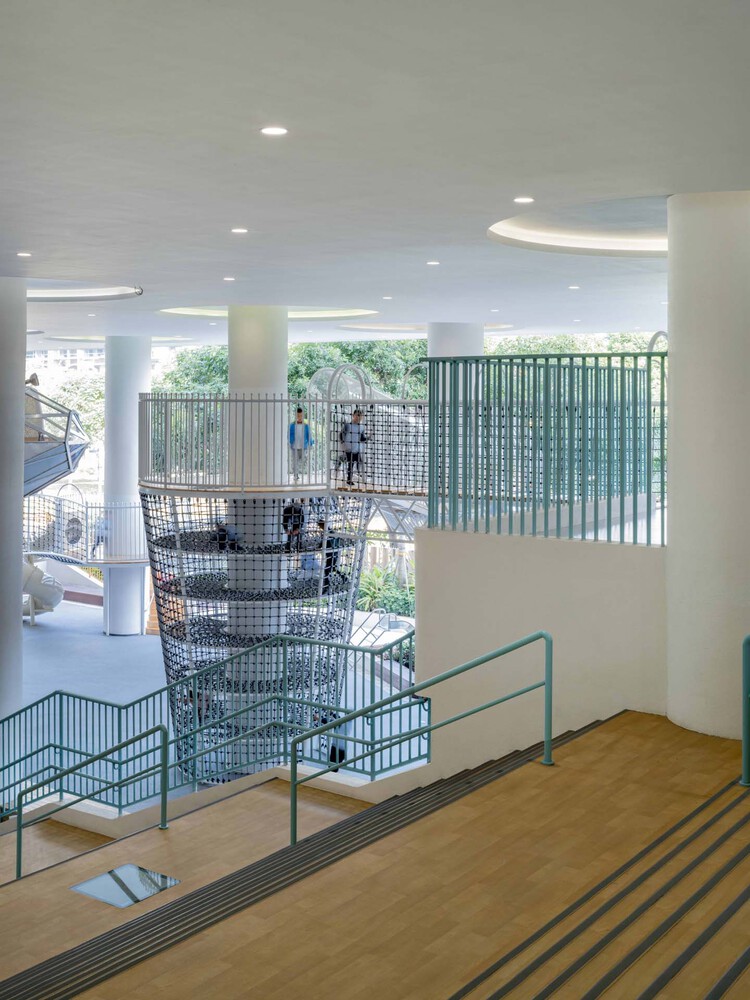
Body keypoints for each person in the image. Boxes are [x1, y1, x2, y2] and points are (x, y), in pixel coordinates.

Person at [340, 408, 367, 485]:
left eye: (361, 416)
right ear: (353, 415)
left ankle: (360, 477)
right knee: (351, 464)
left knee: (359, 463)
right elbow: (341, 434)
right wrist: (343, 444)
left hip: (357, 449)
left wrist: (368, 437)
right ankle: (349, 479)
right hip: (349, 448)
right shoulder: (348, 425)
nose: (359, 417)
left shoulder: (361, 427)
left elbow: (362, 438)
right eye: (357, 415)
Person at [288, 407, 314, 483]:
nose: (299, 417)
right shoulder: (292, 425)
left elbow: (309, 435)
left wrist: (311, 443)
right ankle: (296, 475)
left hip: (303, 446)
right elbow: (289, 434)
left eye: (301, 416)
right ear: (296, 416)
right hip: (294, 446)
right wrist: (289, 441)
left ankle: (305, 472)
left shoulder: (306, 425)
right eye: (298, 416)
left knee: (304, 459)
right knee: (295, 461)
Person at [318, 519, 342, 595]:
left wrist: (318, 548)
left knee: (327, 570)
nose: (319, 527)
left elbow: (323, 542)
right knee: (332, 568)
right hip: (333, 554)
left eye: (319, 526)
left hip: (331, 555)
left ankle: (326, 588)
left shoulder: (327, 533)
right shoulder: (331, 532)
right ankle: (343, 578)